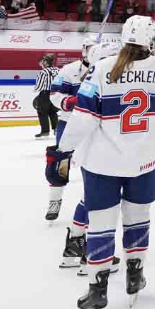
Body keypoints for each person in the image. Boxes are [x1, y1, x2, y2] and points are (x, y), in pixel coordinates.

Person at [57, 15, 155, 309]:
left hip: (103, 162)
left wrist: (62, 149)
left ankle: (97, 289)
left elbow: (84, 118)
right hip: (145, 161)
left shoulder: (102, 68)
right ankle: (134, 275)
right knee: (138, 218)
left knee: (101, 222)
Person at [49, 41, 105, 268]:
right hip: (72, 124)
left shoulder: (107, 72)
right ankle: (55, 201)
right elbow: (55, 93)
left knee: (93, 185)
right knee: (60, 168)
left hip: (91, 129)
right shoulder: (69, 70)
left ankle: (78, 243)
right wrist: (67, 102)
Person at [33, 53, 58, 140]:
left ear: (46, 62)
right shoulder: (57, 69)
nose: (42, 63)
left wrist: (36, 90)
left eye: (44, 61)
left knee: (42, 112)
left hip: (45, 94)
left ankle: (45, 131)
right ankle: (57, 129)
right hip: (55, 93)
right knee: (53, 111)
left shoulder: (43, 72)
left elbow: (38, 86)